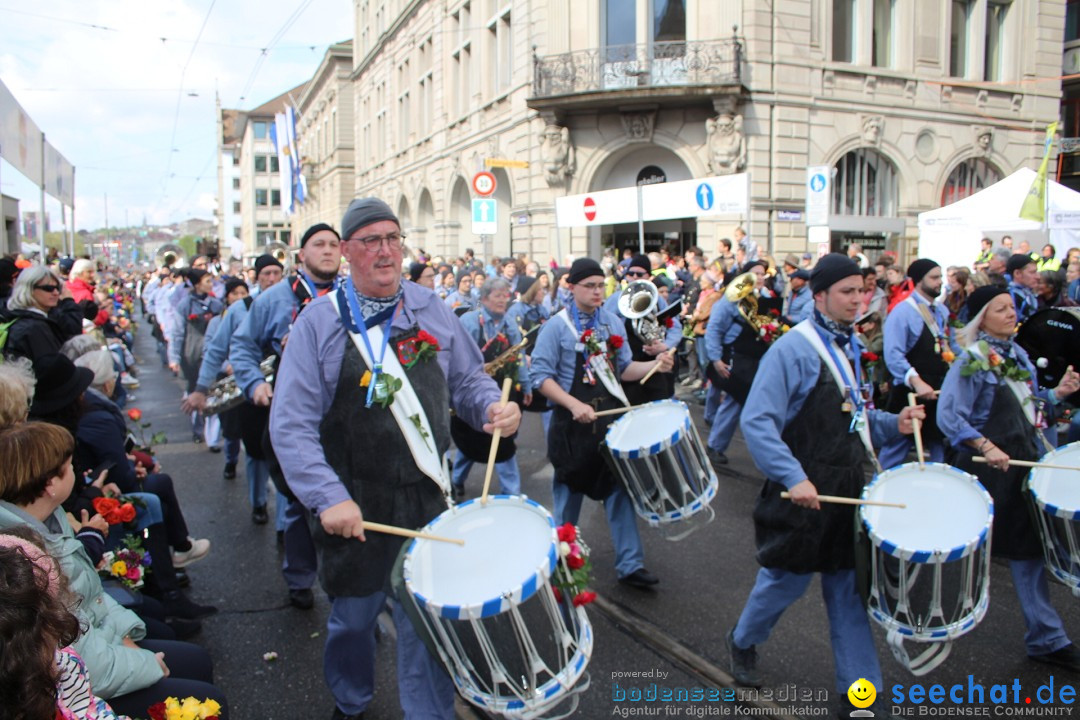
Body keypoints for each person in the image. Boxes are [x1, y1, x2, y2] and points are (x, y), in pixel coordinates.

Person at [269, 197, 520, 720]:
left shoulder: (430, 306)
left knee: (424, 622)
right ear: (345, 252)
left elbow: (469, 380)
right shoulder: (318, 323)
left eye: (393, 239)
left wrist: (491, 408)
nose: (385, 252)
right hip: (356, 506)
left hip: (428, 495)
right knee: (353, 621)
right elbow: (291, 426)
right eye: (371, 241)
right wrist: (328, 498)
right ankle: (351, 698)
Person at [726, 253, 923, 703]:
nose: (858, 300)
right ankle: (742, 638)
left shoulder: (848, 344)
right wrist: (793, 477)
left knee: (850, 592)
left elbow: (855, 416)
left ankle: (860, 696)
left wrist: (896, 423)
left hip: (847, 487)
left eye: (862, 290)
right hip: (800, 491)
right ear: (819, 296)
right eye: (847, 292)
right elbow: (758, 422)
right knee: (784, 582)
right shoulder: (793, 349)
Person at [0, 422, 227, 717]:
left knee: (195, 661)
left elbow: (90, 602)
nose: (78, 473)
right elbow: (76, 648)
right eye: (69, 466)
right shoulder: (27, 555)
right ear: (50, 485)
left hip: (94, 647)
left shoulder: (50, 517)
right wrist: (144, 663)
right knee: (206, 692)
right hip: (76, 686)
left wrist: (124, 636)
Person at [938, 285, 1080, 671]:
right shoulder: (971, 359)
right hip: (993, 470)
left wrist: (1057, 395)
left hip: (1024, 462)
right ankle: (929, 620)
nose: (1010, 313)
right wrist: (985, 446)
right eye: (1000, 309)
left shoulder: (1018, 354)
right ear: (982, 317)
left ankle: (1045, 636)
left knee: (1029, 551)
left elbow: (1032, 413)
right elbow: (949, 417)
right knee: (1003, 553)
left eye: (1012, 307)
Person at [531, 257, 672, 590]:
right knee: (568, 493)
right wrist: (573, 403)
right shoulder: (556, 327)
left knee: (619, 490)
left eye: (601, 286)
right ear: (572, 287)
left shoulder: (612, 323)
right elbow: (540, 377)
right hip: (572, 425)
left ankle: (630, 564)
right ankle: (562, 559)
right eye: (590, 286)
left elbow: (624, 371)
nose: (597, 292)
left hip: (610, 421)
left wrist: (656, 364)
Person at [229, 226, 341, 611]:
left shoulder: (352, 296)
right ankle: (300, 578)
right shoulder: (274, 300)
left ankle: (349, 586)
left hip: (347, 417)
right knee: (299, 501)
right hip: (296, 416)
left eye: (333, 245)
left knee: (350, 497)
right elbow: (242, 347)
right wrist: (255, 383)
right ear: (301, 255)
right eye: (319, 245)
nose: (327, 252)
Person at [185, 256, 284, 527]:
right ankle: (259, 503)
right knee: (255, 451)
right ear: (257, 277)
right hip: (251, 391)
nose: (272, 279)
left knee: (287, 454)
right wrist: (201, 389)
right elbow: (216, 349)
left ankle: (285, 524)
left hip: (286, 390)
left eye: (277, 273)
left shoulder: (294, 304)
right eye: (267, 273)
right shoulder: (241, 309)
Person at [450, 277, 530, 498]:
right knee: (470, 444)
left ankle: (511, 493)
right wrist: (477, 367)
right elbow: (458, 358)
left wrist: (526, 385)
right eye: (497, 296)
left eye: (505, 295)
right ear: (484, 299)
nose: (503, 300)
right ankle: (456, 481)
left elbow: (519, 355)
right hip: (472, 392)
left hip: (503, 391)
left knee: (503, 443)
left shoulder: (510, 322)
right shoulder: (468, 321)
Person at [878, 259, 952, 469]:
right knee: (898, 444)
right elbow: (893, 354)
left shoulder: (942, 312)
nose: (939, 282)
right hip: (909, 392)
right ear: (919, 281)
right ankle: (879, 488)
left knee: (938, 443)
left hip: (938, 389)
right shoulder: (903, 312)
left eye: (940, 277)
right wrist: (916, 382)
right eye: (934, 277)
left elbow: (949, 346)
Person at [703, 261, 768, 465]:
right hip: (735, 358)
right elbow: (713, 330)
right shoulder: (729, 301)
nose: (760, 277)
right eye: (755, 273)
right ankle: (715, 446)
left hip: (754, 360)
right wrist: (716, 360)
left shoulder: (763, 299)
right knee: (733, 402)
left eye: (762, 274)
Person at [603, 255, 683, 405]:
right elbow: (605, 327)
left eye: (639, 274)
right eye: (630, 273)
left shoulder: (658, 300)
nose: (634, 277)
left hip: (655, 364)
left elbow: (675, 327)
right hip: (628, 366)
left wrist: (665, 346)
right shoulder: (615, 300)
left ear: (649, 277)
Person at [167, 269, 224, 445]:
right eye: (207, 281)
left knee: (213, 394)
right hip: (190, 355)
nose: (211, 285)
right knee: (194, 392)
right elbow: (177, 333)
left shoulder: (217, 305)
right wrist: (174, 358)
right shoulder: (185, 305)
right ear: (197, 284)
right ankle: (197, 430)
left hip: (210, 355)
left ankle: (213, 439)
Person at [2, 265, 84, 364]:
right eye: (48, 288)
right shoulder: (32, 326)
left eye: (57, 288)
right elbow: (49, 369)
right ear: (29, 289)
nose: (56, 292)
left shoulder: (38, 318)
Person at [1006, 253, 1040, 324]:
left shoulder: (1030, 294)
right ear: (1017, 273)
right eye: (1032, 272)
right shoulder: (1010, 296)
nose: (1038, 277)